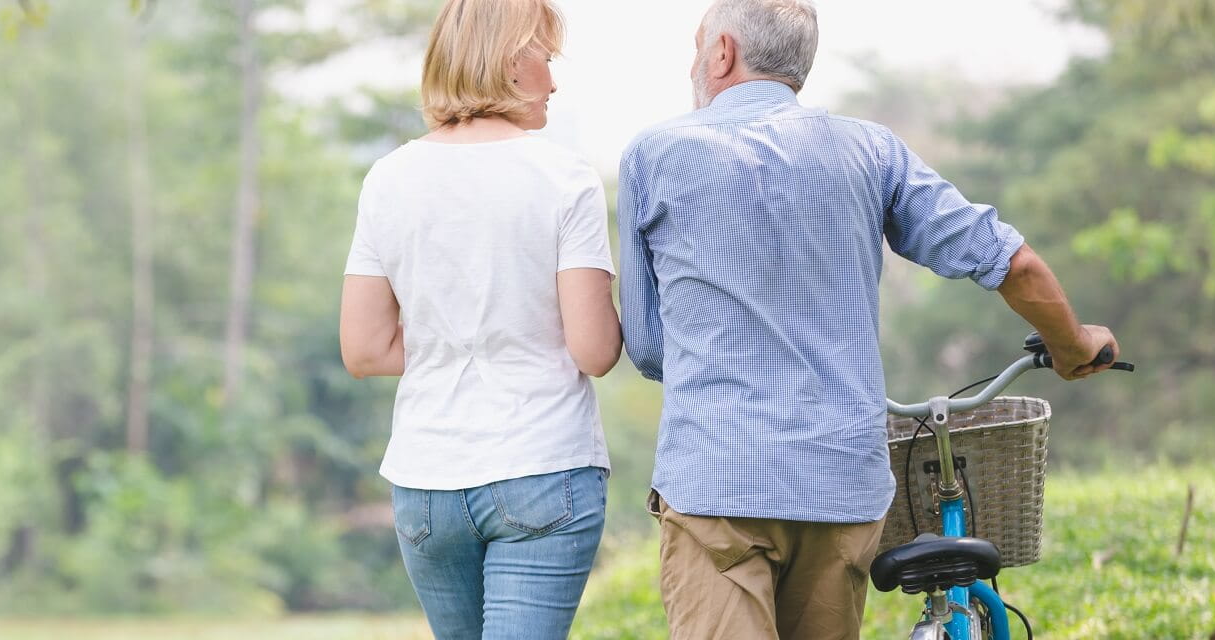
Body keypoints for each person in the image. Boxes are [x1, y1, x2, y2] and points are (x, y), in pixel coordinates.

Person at [617, 1, 1122, 637]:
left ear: (721, 52)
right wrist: (1074, 345)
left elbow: (647, 345)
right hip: (838, 492)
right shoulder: (871, 151)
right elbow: (1011, 263)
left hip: (717, 487)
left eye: (696, 48)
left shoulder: (651, 156)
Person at [337, 0, 621, 637]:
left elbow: (364, 349)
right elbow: (594, 351)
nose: (554, 78)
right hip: (542, 468)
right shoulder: (564, 178)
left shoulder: (388, 178)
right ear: (511, 60)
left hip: (426, 482)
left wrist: (453, 337)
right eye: (546, 58)